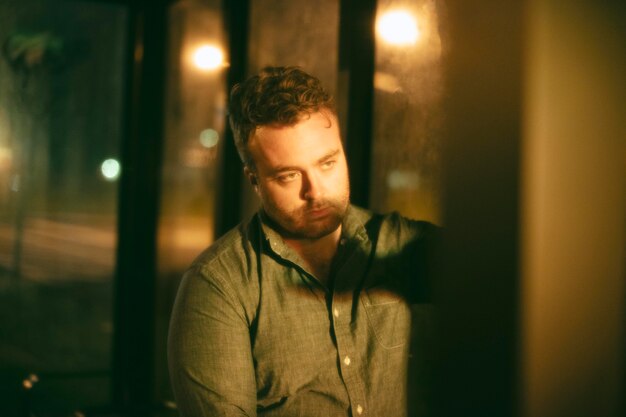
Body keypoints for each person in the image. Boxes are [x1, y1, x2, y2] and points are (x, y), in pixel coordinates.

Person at [168, 66, 439, 417]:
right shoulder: (219, 285)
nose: (315, 192)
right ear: (254, 179)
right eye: (289, 175)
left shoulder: (394, 243)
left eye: (328, 163)